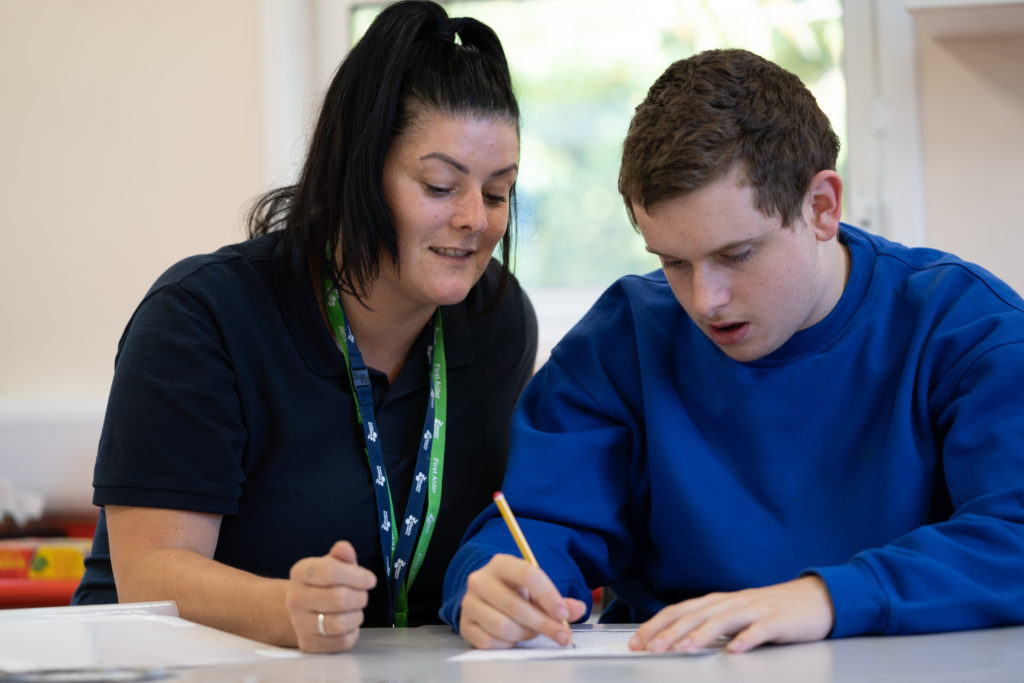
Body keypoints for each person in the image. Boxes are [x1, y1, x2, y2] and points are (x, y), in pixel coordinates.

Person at [440, 48, 1024, 654]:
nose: (705, 300)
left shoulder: (964, 329)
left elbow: (1015, 533)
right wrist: (489, 581)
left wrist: (823, 598)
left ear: (822, 207)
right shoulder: (625, 340)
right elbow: (537, 525)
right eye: (673, 262)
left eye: (737, 255)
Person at [71, 0, 537, 653]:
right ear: (359, 173)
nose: (474, 219)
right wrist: (282, 607)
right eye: (439, 185)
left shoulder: (498, 321)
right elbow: (149, 576)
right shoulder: (201, 319)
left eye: (496, 193)